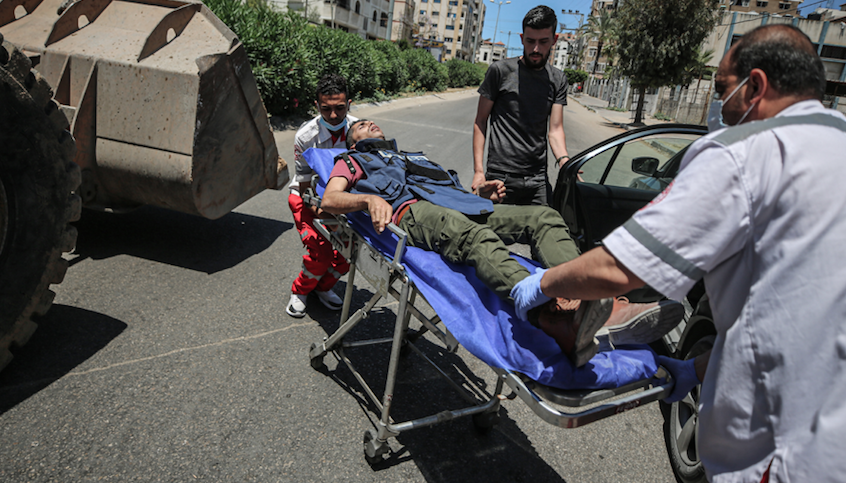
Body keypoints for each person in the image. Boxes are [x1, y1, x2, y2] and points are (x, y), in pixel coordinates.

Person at [512, 24, 846, 483]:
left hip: (811, 475)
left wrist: (541, 284)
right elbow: (802, 322)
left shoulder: (751, 151)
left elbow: (616, 266)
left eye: (721, 89)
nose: (719, 107)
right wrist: (698, 370)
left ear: (754, 87)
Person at [319, 119, 684, 367]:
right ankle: (555, 316)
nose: (370, 125)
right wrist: (368, 199)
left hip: (464, 207)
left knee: (543, 217)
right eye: (361, 126)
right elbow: (329, 200)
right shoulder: (353, 160)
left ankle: (588, 299)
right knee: (475, 237)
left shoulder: (415, 157)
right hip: (415, 212)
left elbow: (452, 190)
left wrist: (482, 193)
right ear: (352, 141)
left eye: (372, 122)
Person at [472, 5, 570, 206]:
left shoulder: (558, 79)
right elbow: (481, 121)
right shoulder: (500, 71)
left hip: (537, 179)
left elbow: (555, 129)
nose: (536, 49)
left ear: (554, 40)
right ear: (522, 38)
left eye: (543, 42)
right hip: (500, 176)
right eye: (530, 41)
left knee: (547, 222)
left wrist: (565, 161)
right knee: (493, 226)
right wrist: (479, 172)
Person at [285, 74, 358, 318]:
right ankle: (300, 290)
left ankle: (323, 287)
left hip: (344, 201)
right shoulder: (306, 137)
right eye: (326, 109)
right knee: (321, 253)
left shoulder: (360, 130)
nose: (334, 115)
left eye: (340, 108)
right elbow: (305, 185)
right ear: (317, 106)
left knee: (348, 255)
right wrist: (323, 214)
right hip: (307, 198)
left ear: (349, 104)